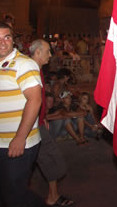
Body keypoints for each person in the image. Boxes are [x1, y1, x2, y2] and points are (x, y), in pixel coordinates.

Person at [0, 21, 46, 206]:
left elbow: (35, 100)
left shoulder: (23, 64)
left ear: (13, 40)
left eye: (7, 37)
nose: (2, 42)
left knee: (14, 196)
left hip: (16, 144)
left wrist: (20, 138)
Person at [30, 39, 74, 206]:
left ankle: (52, 196)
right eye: (48, 51)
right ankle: (51, 197)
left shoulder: (38, 70)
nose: (50, 55)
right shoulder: (30, 70)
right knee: (48, 158)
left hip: (39, 123)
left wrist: (43, 118)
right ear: (38, 52)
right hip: (33, 126)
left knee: (48, 158)